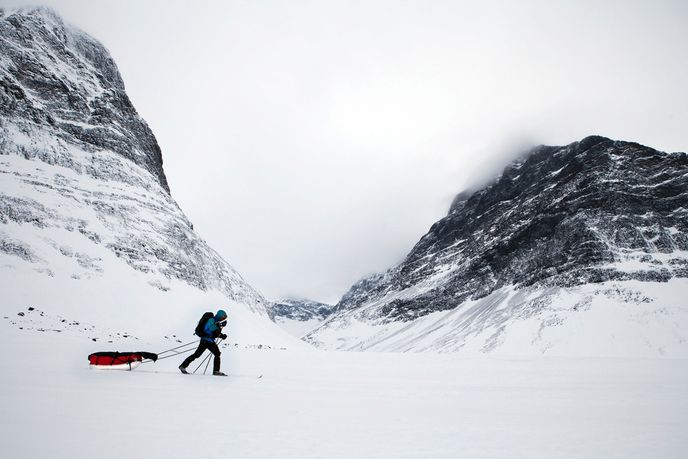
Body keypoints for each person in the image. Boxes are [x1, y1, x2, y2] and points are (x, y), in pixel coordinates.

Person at [179, 309, 228, 376]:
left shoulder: (214, 321)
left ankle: (183, 366)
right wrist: (221, 332)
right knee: (216, 354)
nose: (222, 319)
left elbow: (215, 332)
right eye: (222, 317)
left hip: (205, 341)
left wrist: (221, 330)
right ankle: (216, 371)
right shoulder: (211, 320)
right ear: (219, 316)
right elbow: (215, 333)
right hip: (207, 341)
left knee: (197, 355)